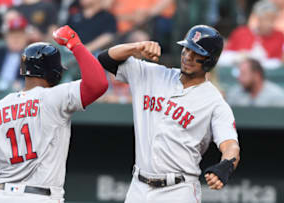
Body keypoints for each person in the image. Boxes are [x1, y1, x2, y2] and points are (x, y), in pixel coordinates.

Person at [98, 25, 240, 202]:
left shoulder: (214, 101)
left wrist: (225, 165)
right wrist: (136, 47)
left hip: (178, 190)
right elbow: (105, 59)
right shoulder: (152, 74)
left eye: (197, 53)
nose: (188, 56)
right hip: (138, 187)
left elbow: (230, 145)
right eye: (187, 49)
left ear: (210, 60)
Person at [0, 25, 108, 203]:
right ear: (54, 73)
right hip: (40, 196)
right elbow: (98, 84)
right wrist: (75, 44)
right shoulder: (53, 97)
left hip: (3, 195)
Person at [217, 0, 284, 69]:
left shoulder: (279, 36)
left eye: (272, 20)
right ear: (258, 19)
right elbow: (224, 56)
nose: (269, 24)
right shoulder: (241, 32)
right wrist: (240, 56)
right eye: (266, 19)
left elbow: (280, 62)